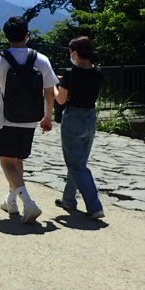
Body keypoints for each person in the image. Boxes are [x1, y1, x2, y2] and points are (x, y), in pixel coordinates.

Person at [0, 17, 57, 224]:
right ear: (27, 35)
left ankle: (28, 203)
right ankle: (11, 202)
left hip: (6, 118)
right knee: (18, 161)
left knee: (6, 162)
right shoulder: (41, 60)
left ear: (6, 36)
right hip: (31, 119)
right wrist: (48, 116)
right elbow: (50, 92)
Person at [55, 36, 106, 220]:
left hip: (73, 118)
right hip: (90, 118)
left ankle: (95, 206)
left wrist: (56, 86)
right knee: (78, 162)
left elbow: (60, 99)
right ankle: (68, 199)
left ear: (74, 53)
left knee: (75, 164)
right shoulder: (98, 72)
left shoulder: (70, 73)